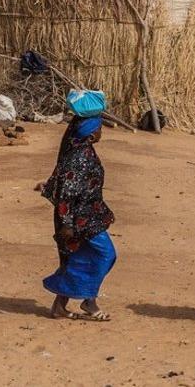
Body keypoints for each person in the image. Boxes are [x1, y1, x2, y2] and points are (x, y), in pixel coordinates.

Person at [39, 105, 117, 321]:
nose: (102, 132)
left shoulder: (78, 149)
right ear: (92, 134)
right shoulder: (80, 156)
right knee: (106, 254)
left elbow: (63, 184)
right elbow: (67, 193)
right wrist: (66, 224)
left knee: (77, 257)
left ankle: (59, 306)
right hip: (79, 220)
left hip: (86, 215)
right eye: (100, 129)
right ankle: (88, 300)